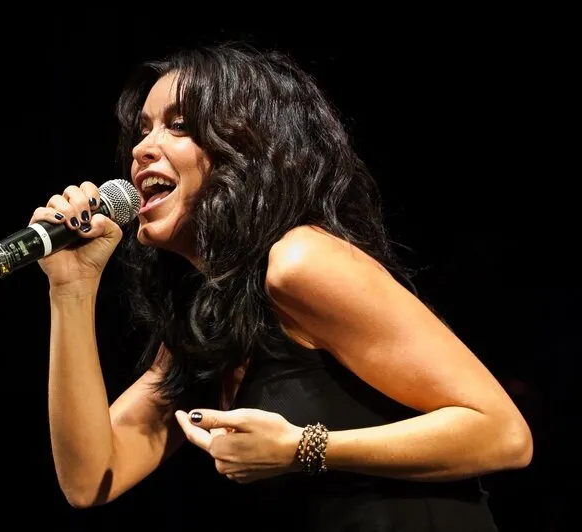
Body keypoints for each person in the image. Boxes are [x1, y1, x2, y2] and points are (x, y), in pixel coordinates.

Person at [29, 42, 533, 530]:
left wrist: (304, 449)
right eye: (142, 131)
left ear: (245, 147)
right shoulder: (209, 314)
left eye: (179, 126)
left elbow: (502, 434)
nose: (142, 148)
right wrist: (71, 289)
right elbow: (90, 476)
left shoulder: (300, 260)